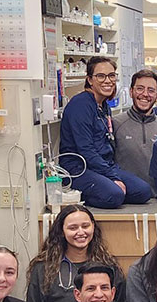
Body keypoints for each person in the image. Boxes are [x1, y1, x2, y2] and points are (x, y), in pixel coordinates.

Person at [59, 56, 152, 209]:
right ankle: (83, 196)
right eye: (100, 76)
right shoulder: (80, 105)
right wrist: (112, 177)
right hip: (79, 168)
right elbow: (86, 150)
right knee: (113, 195)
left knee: (143, 191)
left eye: (111, 75)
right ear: (90, 79)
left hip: (103, 165)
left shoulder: (103, 106)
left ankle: (107, 189)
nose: (107, 80)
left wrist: (111, 173)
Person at [26, 204, 127, 302]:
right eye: (73, 228)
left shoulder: (109, 266)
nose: (81, 232)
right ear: (61, 231)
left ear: (93, 227)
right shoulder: (43, 269)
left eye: (85, 226)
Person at [113, 69, 157, 195]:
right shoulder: (115, 124)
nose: (145, 94)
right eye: (140, 88)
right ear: (131, 92)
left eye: (151, 90)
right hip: (126, 201)